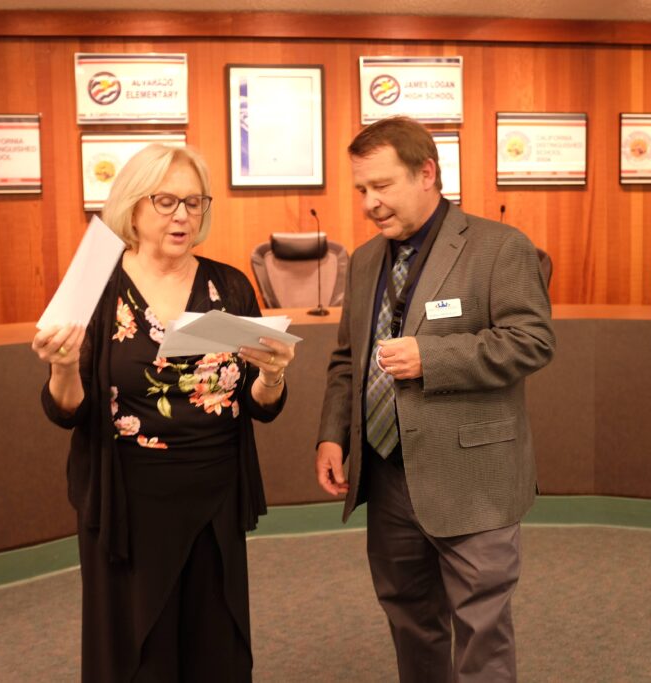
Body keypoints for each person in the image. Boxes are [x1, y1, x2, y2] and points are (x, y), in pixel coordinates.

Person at [32, 143, 294, 682]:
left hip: (214, 495)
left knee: (213, 649)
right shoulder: (95, 285)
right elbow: (67, 411)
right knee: (138, 657)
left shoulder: (230, 286)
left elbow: (259, 406)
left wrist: (273, 376)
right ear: (132, 207)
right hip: (128, 501)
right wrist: (62, 368)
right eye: (166, 201)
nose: (182, 216)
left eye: (194, 203)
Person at [315, 116, 555, 682]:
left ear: (427, 173)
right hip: (386, 474)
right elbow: (348, 359)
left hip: (472, 476)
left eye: (382, 185)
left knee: (481, 630)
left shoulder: (499, 248)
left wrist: (433, 357)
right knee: (410, 620)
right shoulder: (365, 260)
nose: (370, 203)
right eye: (362, 189)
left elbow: (533, 341)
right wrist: (332, 434)